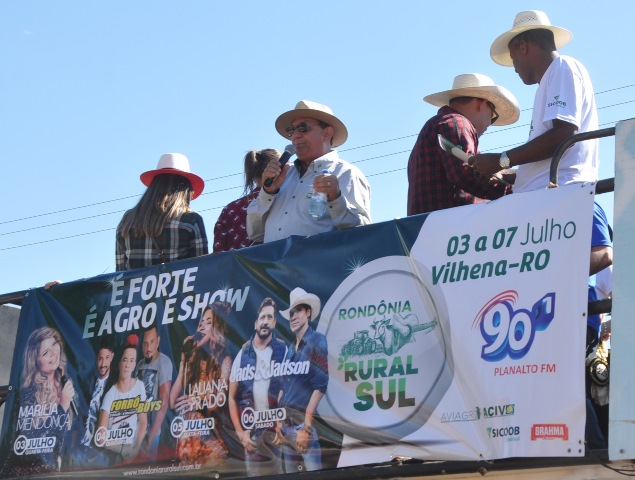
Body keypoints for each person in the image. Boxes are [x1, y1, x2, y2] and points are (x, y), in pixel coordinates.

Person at [469, 10, 598, 192]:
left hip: (559, 194)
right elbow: (547, 157)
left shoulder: (562, 67)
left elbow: (565, 134)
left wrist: (501, 160)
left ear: (523, 47)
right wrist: (508, 174)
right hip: (550, 195)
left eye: (513, 58)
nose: (514, 68)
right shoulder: (552, 77)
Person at [247, 100, 371, 243]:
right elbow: (254, 233)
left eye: (303, 128)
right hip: (273, 258)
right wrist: (268, 192)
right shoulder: (281, 176)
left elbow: (363, 234)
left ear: (327, 134)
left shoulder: (346, 173)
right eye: (291, 130)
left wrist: (335, 198)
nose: (295, 135)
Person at [407, 73, 520, 215]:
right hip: (450, 223)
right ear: (482, 104)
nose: (490, 123)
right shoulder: (457, 123)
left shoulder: (440, 124)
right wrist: (515, 191)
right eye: (492, 116)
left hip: (429, 223)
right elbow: (466, 175)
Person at [116, 153, 208, 271]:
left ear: (154, 185)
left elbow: (120, 274)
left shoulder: (127, 220)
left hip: (135, 284)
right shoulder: (191, 220)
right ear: (186, 189)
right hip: (176, 283)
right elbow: (201, 270)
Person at [229, 297, 287, 476]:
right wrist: (241, 434)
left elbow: (286, 389)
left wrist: (281, 423)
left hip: (274, 432)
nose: (265, 322)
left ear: (274, 322)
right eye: (262, 317)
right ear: (255, 323)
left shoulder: (282, 350)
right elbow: (231, 397)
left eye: (270, 317)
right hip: (251, 434)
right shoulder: (243, 353)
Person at [169, 302, 234, 464]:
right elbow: (172, 401)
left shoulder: (224, 361)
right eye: (201, 322)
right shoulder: (193, 360)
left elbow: (219, 402)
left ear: (217, 328)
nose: (202, 326)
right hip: (187, 442)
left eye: (208, 322)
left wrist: (196, 401)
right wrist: (184, 361)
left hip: (210, 440)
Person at [274, 288, 328, 472]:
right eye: (291, 313)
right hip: (286, 428)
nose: (293, 316)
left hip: (303, 427)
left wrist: (306, 429)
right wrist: (278, 423)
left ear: (308, 313)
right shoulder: (290, 348)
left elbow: (320, 387)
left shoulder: (317, 341)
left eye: (298, 311)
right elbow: (283, 387)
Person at [11, 327, 76, 475]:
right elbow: (31, 440)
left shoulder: (65, 382)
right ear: (35, 361)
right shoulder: (29, 394)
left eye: (54, 344)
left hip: (64, 470)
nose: (53, 353)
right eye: (46, 352)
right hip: (36, 473)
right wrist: (62, 406)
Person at [213, 149, 281, 252]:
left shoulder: (230, 209)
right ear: (279, 169)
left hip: (237, 263)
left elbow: (218, 254)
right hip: (281, 261)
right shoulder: (285, 199)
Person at [584, 202, 613, 450]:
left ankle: (597, 444)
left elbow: (620, 300)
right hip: (597, 334)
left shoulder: (608, 268)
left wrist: (607, 326)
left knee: (595, 390)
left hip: (598, 338)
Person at [96, 334, 147, 464]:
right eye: (125, 360)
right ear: (119, 363)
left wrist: (135, 450)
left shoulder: (140, 386)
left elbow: (143, 422)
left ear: (135, 364)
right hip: (114, 455)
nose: (127, 365)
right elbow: (101, 438)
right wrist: (123, 449)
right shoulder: (110, 395)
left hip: (133, 452)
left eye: (131, 360)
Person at [74, 335, 115, 467]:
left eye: (107, 358)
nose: (103, 364)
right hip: (81, 448)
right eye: (100, 358)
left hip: (100, 452)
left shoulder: (115, 383)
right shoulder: (89, 382)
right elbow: (80, 414)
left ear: (112, 357)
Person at [134, 325, 173, 458]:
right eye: (145, 343)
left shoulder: (164, 362)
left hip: (152, 433)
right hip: (135, 431)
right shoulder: (139, 364)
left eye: (152, 342)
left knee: (148, 467)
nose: (148, 347)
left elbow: (164, 402)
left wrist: (150, 437)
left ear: (158, 341)